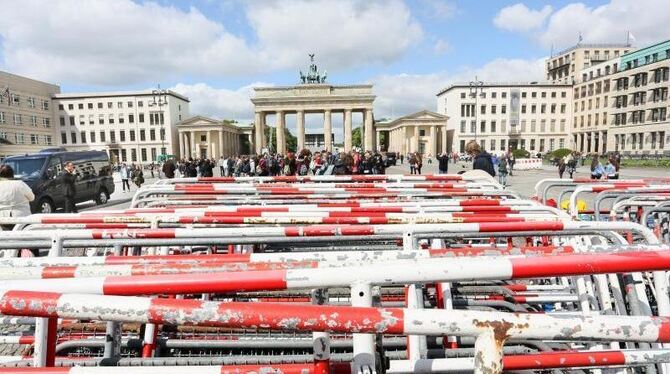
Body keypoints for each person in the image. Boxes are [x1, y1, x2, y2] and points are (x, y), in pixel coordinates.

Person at [0, 165, 35, 229]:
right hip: (22, 218)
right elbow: (32, 197)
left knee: (6, 237)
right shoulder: (20, 184)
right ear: (12, 174)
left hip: (2, 218)